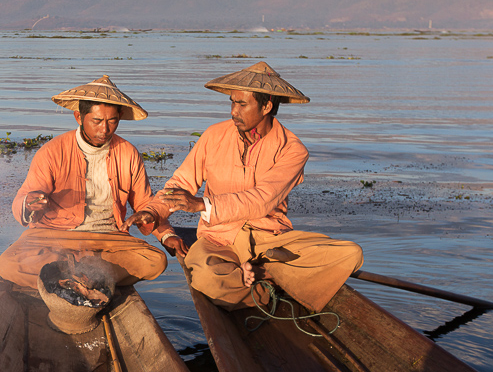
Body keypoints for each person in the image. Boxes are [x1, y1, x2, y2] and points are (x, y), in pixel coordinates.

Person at [152, 61, 363, 313]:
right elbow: (180, 183)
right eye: (232, 102)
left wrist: (201, 204)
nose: (233, 111)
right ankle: (267, 284)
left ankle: (265, 269)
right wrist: (154, 212)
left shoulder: (293, 150)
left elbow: (262, 200)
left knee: (351, 254)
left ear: (267, 106)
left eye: (242, 104)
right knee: (207, 278)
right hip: (220, 238)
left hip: (269, 239)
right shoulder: (214, 135)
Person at [0, 75, 178, 290]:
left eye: (112, 121)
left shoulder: (128, 153)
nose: (105, 129)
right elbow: (24, 197)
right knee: (7, 264)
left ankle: (73, 276)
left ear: (119, 117)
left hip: (109, 237)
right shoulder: (52, 151)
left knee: (155, 261)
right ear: (78, 117)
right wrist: (29, 203)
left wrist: (167, 235)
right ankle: (93, 276)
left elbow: (145, 204)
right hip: (54, 236)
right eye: (97, 121)